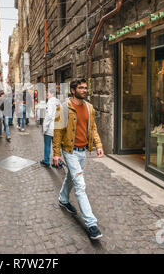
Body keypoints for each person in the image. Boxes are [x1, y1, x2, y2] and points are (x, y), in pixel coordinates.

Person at [53, 78, 104, 240]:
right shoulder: (63, 108)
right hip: (69, 151)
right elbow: (57, 131)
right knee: (80, 185)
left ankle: (62, 199)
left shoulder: (89, 108)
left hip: (83, 151)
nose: (84, 90)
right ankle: (91, 223)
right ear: (73, 90)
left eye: (85, 88)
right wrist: (56, 153)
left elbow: (93, 128)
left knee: (72, 177)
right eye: (81, 88)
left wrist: (99, 145)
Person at [40, 88, 60, 168]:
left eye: (47, 93)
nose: (46, 94)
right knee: (56, 146)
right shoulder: (58, 102)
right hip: (57, 127)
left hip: (50, 128)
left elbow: (49, 116)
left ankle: (46, 161)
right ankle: (58, 162)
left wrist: (44, 128)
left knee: (47, 145)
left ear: (52, 94)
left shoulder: (50, 102)